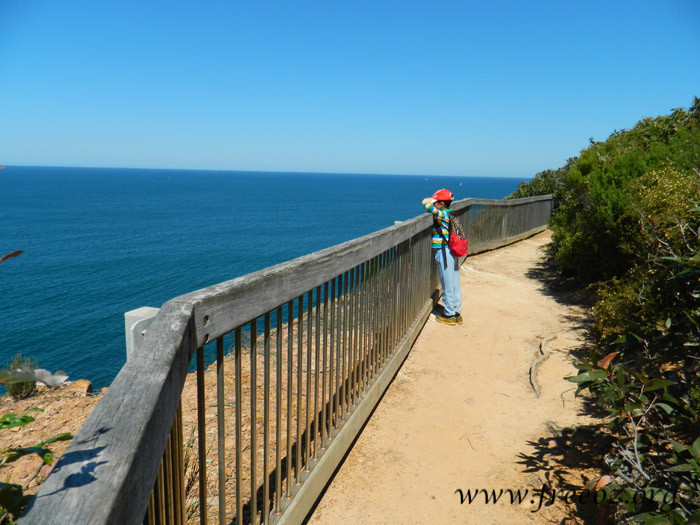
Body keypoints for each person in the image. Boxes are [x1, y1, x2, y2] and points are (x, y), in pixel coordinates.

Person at [422, 189, 463, 325]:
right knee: (453, 280)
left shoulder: (442, 215)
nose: (433, 205)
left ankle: (449, 314)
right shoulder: (450, 214)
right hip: (450, 252)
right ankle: (456, 312)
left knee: (447, 283)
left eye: (435, 203)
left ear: (440, 204)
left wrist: (428, 201)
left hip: (444, 252)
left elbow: (425, 204)